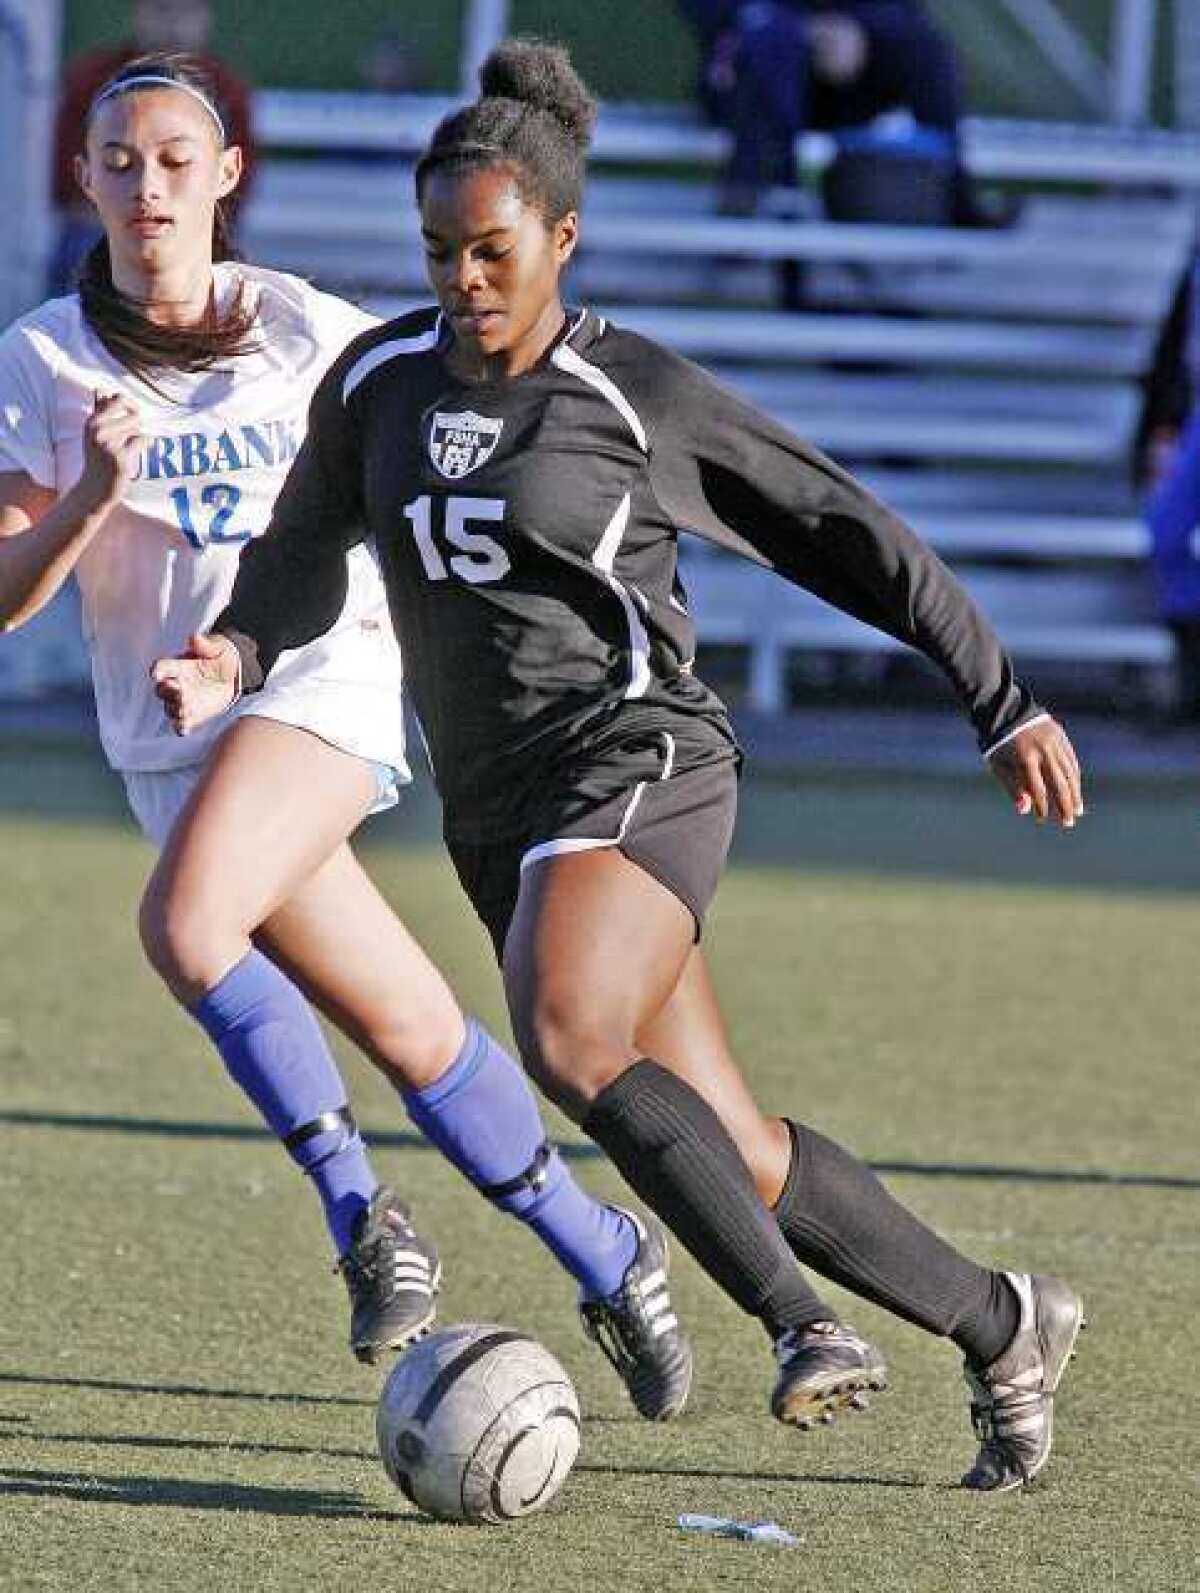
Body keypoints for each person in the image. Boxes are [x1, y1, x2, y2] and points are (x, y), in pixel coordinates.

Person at [155, 39, 1086, 1494]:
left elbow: (842, 529)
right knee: (728, 1137)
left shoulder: (626, 392)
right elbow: (291, 560)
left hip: (642, 757)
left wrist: (1001, 697)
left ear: (563, 238)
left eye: (493, 251)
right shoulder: (381, 384)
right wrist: (231, 654)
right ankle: (1002, 1320)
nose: (463, 280)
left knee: (573, 1037)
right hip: (499, 811)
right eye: (440, 251)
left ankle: (802, 1325)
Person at [0, 53, 693, 1419]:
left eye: (176, 161)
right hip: (174, 744)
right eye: (121, 162)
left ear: (227, 177)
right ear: (81, 179)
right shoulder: (41, 359)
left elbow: (465, 422)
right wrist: (90, 493)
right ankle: (609, 1250)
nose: (149, 187)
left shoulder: (311, 331)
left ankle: (366, 1223)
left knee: (188, 929)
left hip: (315, 685)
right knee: (410, 1024)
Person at [678, 0, 1008, 226]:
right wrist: (806, 29)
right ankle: (751, 198)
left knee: (927, 51)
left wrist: (856, 29)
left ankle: (953, 194)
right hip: (752, 78)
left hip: (845, 77)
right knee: (775, 44)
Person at [50, 1, 256, 295]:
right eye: (119, 162)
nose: (172, 23)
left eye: (176, 160)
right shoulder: (92, 79)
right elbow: (64, 179)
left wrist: (176, 221)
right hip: (100, 225)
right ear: (138, 13)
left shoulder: (225, 88)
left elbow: (238, 191)